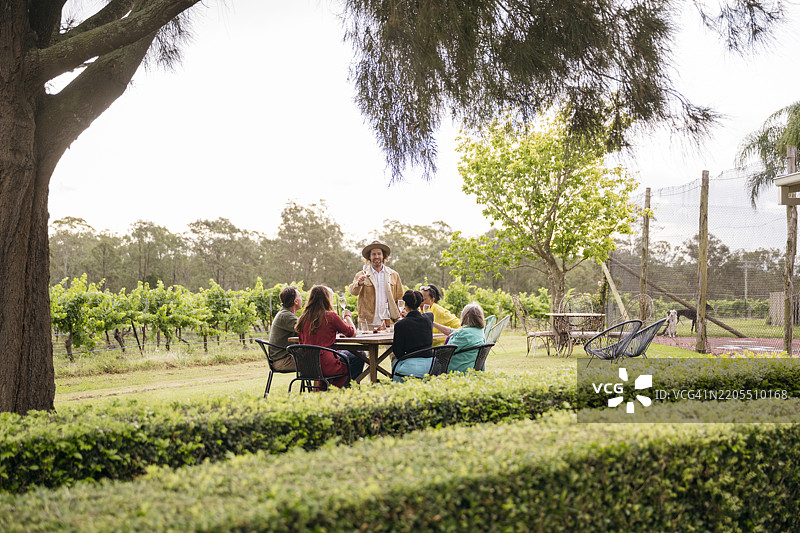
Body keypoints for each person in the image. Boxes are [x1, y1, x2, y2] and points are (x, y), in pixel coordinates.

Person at [296, 285, 365, 389]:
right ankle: (345, 388)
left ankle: (326, 389)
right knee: (359, 355)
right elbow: (352, 333)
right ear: (327, 299)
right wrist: (347, 317)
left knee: (347, 356)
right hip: (327, 365)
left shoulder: (302, 318)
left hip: (307, 366)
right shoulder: (330, 316)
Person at [349, 240, 404, 328]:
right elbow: (353, 292)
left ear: (383, 256)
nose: (376, 256)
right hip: (367, 323)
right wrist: (359, 283)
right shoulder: (361, 274)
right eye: (373, 254)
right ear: (369, 257)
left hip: (388, 322)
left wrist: (400, 315)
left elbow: (400, 298)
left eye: (379, 254)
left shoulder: (394, 275)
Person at [391, 290, 434, 381]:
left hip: (412, 368)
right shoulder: (429, 317)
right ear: (420, 303)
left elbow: (398, 351)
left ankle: (398, 389)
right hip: (432, 365)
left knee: (394, 360)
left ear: (405, 303)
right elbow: (419, 317)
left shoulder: (400, 325)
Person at [433, 302, 487, 372]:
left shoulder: (463, 334)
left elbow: (445, 352)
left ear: (465, 316)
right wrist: (433, 323)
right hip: (470, 368)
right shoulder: (479, 331)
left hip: (456, 370)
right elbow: (453, 331)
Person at [267, 285, 302, 371]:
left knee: (317, 359)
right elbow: (307, 329)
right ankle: (318, 384)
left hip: (284, 358)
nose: (302, 299)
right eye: (300, 297)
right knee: (318, 361)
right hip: (283, 361)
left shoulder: (285, 313)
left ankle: (314, 384)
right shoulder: (286, 316)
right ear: (296, 301)